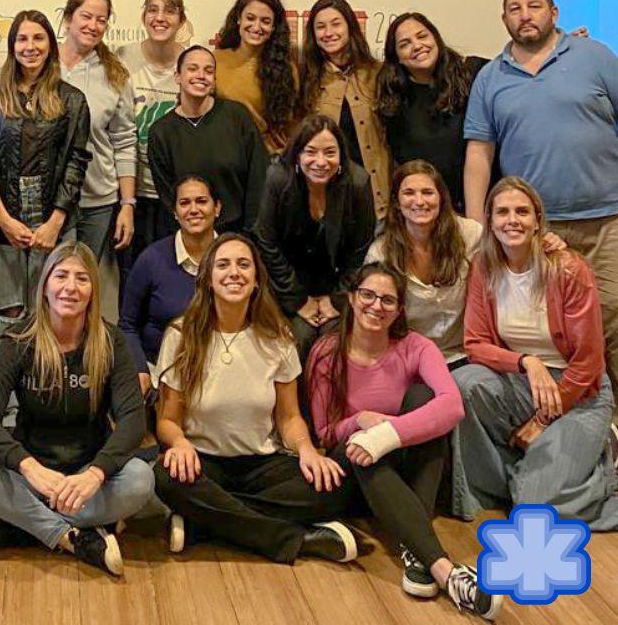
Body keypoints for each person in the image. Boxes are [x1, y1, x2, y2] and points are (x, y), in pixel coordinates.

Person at [307, 264, 500, 619]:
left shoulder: (416, 346)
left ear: (399, 310)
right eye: (367, 295)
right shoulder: (326, 352)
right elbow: (324, 432)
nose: (376, 306)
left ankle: (416, 553)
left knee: (423, 397)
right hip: (355, 472)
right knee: (362, 446)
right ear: (352, 298)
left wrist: (388, 435)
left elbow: (452, 405)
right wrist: (361, 423)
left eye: (387, 300)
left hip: (405, 465)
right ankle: (444, 568)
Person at [152, 232, 357, 564]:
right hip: (204, 461)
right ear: (207, 280)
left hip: (262, 463)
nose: (234, 272)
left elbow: (289, 417)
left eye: (243, 264)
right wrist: (179, 444)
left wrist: (307, 451)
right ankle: (296, 539)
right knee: (165, 477)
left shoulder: (277, 337)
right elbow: (167, 421)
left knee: (334, 487)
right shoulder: (180, 335)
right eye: (223, 265)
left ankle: (206, 521)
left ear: (257, 280)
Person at [0, 242, 154, 576]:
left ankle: (19, 524)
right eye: (61, 276)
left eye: (82, 279)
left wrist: (96, 472)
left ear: (93, 290)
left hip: (89, 479)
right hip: (32, 475)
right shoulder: (19, 340)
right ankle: (73, 537)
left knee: (141, 480)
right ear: (44, 285)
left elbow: (133, 421)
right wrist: (29, 468)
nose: (70, 288)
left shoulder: (112, 341)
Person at [464, 0, 618, 395]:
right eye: (514, 8)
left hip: (605, 220)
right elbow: (480, 152)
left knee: (610, 321)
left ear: (554, 13)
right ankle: (570, 415)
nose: (525, 14)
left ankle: (610, 419)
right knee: (555, 328)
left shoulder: (596, 56)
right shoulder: (490, 77)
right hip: (530, 230)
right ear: (504, 19)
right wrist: (479, 225)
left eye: (534, 6)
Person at [452, 177, 618, 531]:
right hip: (525, 381)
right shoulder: (483, 267)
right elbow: (475, 343)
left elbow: (589, 360)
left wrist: (543, 419)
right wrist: (527, 362)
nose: (513, 220)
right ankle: (533, 475)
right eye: (503, 212)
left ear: (538, 221)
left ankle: (603, 471)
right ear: (490, 221)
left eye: (522, 212)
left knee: (534, 510)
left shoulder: (569, 269)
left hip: (579, 392)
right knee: (465, 383)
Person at [0, 10, 90, 356]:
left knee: (56, 313)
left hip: (54, 227)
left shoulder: (72, 100)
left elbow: (75, 164)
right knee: (5, 318)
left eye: (38, 38)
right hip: (0, 228)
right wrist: (4, 220)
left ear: (51, 45)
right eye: (22, 39)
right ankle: (3, 407)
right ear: (12, 46)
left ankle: (49, 398)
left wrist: (55, 223)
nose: (30, 46)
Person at [255, 114, 375, 360]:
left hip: (339, 287)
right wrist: (299, 301)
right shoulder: (277, 179)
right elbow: (267, 244)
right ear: (298, 155)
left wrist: (338, 300)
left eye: (330, 153)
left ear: (341, 156)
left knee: (332, 345)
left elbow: (359, 251)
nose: (321, 162)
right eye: (311, 152)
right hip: (287, 288)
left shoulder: (358, 183)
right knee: (298, 340)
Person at [364, 161, 481, 366]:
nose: (419, 201)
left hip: (464, 355)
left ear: (441, 198)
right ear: (397, 202)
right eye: (409, 193)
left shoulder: (471, 235)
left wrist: (545, 242)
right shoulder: (380, 254)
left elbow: (511, 254)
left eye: (428, 192)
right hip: (409, 358)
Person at [58, 0, 137, 290]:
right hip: (51, 199)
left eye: (101, 20)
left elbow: (124, 141)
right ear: (67, 19)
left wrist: (127, 203)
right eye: (85, 16)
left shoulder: (116, 74)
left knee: (86, 284)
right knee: (53, 282)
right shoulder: (42, 63)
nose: (93, 25)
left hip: (98, 199)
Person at [376, 12, 487, 214]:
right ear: (397, 58)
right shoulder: (394, 102)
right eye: (405, 44)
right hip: (424, 212)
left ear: (435, 37)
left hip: (477, 210)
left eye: (422, 36)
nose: (417, 46)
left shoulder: (474, 73)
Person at [148, 45, 267, 235]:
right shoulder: (161, 132)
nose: (201, 75)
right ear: (177, 76)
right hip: (189, 235)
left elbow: (258, 177)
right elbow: (168, 196)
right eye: (192, 69)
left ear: (214, 80)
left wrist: (251, 234)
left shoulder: (237, 116)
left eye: (208, 70)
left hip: (238, 233)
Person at [120, 175, 221, 391]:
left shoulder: (235, 258)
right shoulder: (151, 259)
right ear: (175, 212)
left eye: (201, 201)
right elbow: (128, 325)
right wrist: (140, 370)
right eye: (184, 203)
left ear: (217, 208)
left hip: (222, 372)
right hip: (160, 375)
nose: (193, 209)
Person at [301, 0, 390, 219]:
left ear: (350, 26)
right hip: (325, 202)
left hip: (377, 200)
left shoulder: (378, 74)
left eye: (336, 24)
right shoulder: (306, 79)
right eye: (320, 27)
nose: (328, 32)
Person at [116, 0, 187, 260]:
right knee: (132, 272)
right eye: (153, 10)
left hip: (174, 193)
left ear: (181, 20)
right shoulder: (122, 57)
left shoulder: (192, 61)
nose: (160, 17)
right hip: (133, 191)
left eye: (170, 11)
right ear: (144, 16)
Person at [213, 0, 299, 155]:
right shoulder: (214, 61)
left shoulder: (286, 69)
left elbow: (291, 124)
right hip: (223, 154)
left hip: (269, 159)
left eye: (265, 21)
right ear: (238, 18)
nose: (257, 27)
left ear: (274, 27)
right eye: (250, 18)